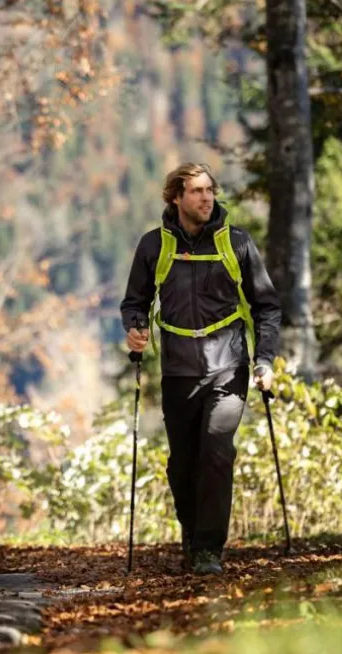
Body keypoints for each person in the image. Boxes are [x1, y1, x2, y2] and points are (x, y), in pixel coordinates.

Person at [119, 162, 282, 575]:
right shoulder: (154, 246)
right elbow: (135, 302)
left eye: (210, 190)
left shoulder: (237, 244)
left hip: (228, 368)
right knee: (182, 464)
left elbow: (266, 308)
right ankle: (192, 534)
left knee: (216, 451)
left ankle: (209, 549)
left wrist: (264, 360)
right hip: (178, 370)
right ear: (176, 197)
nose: (206, 198)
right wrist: (136, 330)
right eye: (196, 191)